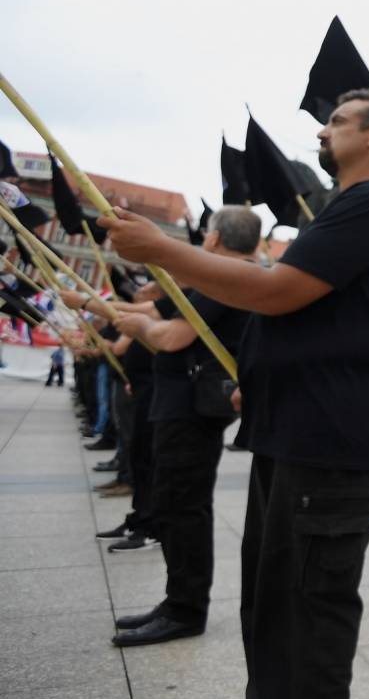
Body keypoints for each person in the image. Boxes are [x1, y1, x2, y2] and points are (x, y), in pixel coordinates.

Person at [103, 88, 369, 699]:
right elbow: (305, 310)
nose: (325, 127)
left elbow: (278, 292)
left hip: (327, 447)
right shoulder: (345, 210)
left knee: (305, 622)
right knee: (271, 613)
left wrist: (162, 249)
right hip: (294, 437)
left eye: (339, 120)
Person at [107, 205, 259, 645]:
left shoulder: (225, 277)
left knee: (183, 506)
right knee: (176, 504)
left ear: (214, 239)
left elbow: (174, 335)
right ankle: (177, 600)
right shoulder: (223, 276)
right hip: (182, 404)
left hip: (192, 408)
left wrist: (138, 327)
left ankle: (185, 609)